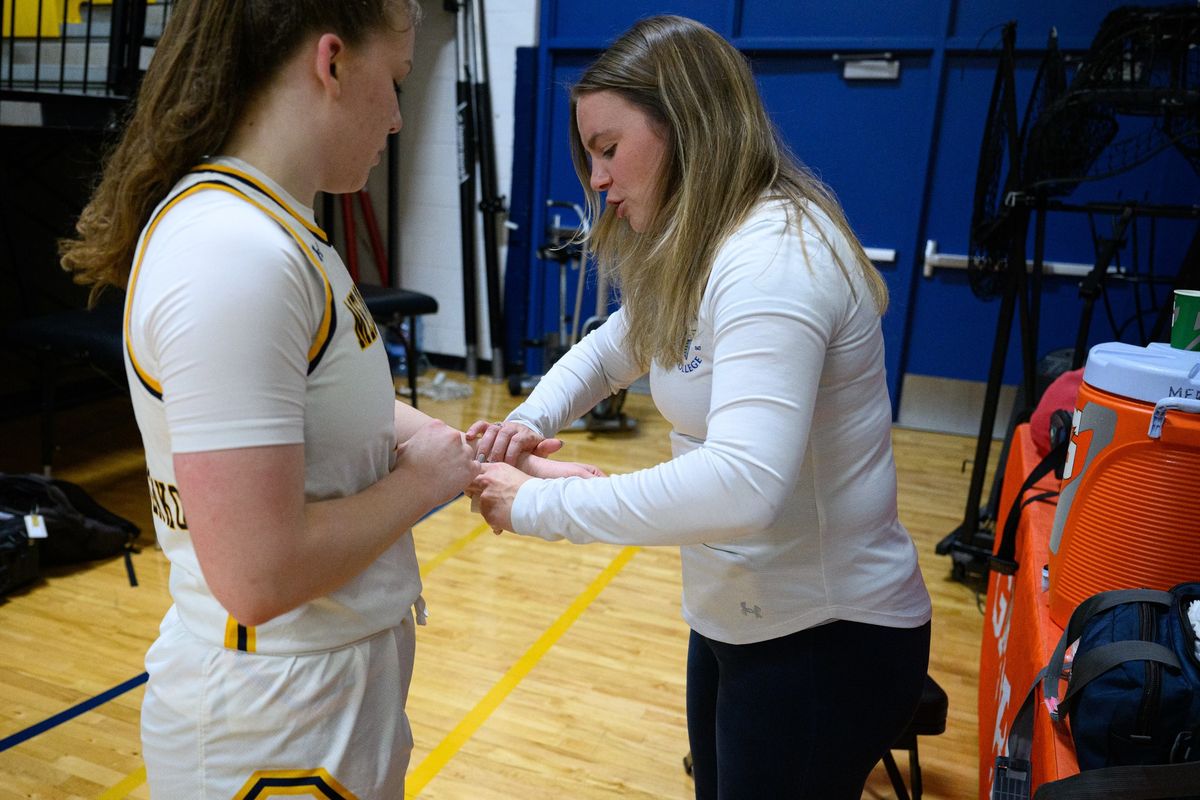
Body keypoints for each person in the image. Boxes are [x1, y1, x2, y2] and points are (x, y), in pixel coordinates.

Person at [468, 15, 932, 799]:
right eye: (591, 156)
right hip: (737, 617)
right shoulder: (701, 241)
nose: (597, 180)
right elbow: (614, 346)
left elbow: (743, 485)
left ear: (686, 126)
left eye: (608, 150)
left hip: (827, 637)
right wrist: (531, 421)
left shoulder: (774, 256)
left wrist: (546, 503)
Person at [56, 1, 499, 795]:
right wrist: (426, 482)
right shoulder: (233, 253)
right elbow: (259, 572)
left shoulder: (275, 230)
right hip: (276, 717)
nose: (398, 118)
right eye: (395, 82)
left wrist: (461, 452)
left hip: (317, 689)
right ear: (331, 63)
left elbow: (317, 406)